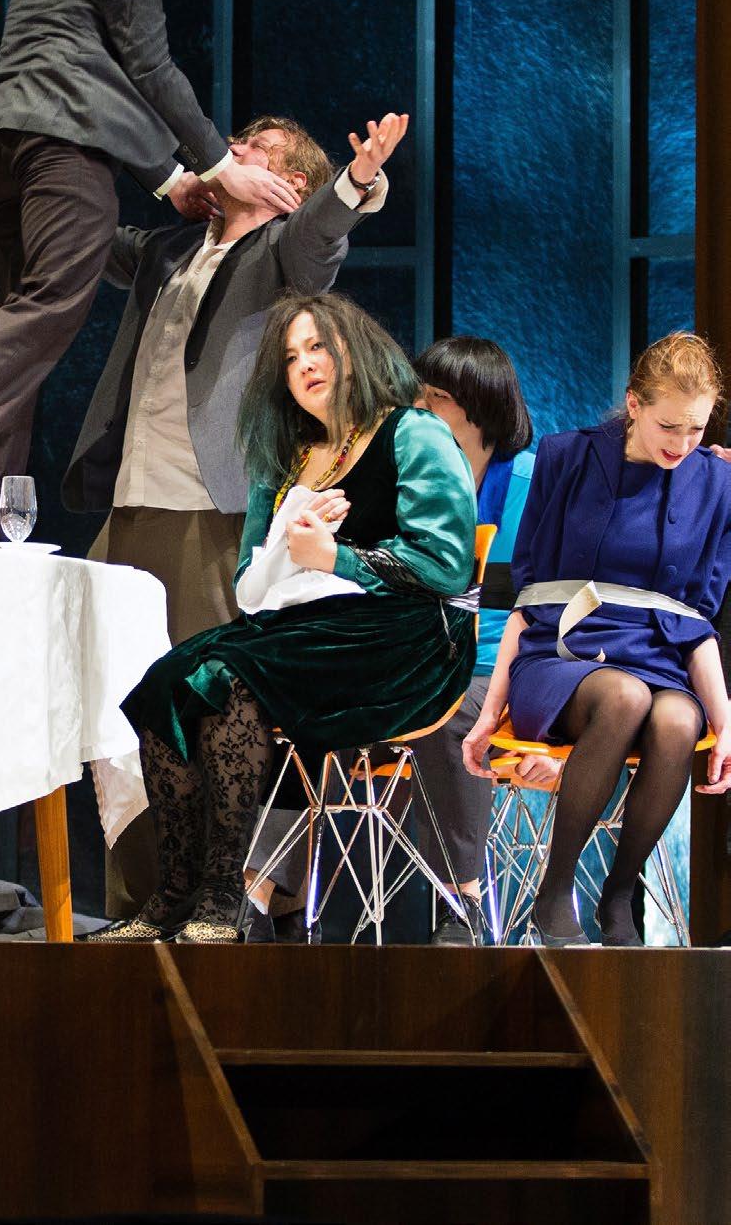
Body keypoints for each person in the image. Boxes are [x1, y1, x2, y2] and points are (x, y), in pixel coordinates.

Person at [63, 110, 406, 922]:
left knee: (210, 711)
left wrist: (359, 180)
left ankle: (226, 903)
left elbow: (322, 236)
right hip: (129, 506)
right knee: (119, 715)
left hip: (208, 515)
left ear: (287, 185)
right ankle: (142, 901)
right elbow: (82, 237)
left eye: (250, 149)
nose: (228, 154)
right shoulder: (170, 248)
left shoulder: (281, 252)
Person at [88, 291, 477, 942]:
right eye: (291, 357)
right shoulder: (287, 453)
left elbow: (445, 565)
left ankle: (223, 901)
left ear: (354, 348)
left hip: (405, 636)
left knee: (232, 677)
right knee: (167, 681)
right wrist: (288, 541)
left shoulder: (413, 432)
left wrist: (335, 556)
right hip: (300, 628)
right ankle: (172, 897)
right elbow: (250, 584)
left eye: (317, 346)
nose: (305, 365)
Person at [0, 0, 300, 526]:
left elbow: (98, 72)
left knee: (19, 309)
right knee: (55, 299)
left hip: (5, 136)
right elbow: (147, 65)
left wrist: (171, 180)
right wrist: (218, 166)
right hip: (60, 141)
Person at [462, 331, 731, 947]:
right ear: (634, 403)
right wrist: (490, 712)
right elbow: (530, 600)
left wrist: (727, 722)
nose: (682, 443)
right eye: (669, 426)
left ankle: (619, 897)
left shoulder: (716, 483)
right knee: (624, 697)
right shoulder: (567, 458)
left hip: (658, 660)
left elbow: (697, 622)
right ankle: (555, 893)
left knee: (678, 719)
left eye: (696, 429)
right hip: (561, 656)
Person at [413, 336, 558, 945]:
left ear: (480, 406)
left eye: (436, 397)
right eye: (418, 394)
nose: (419, 408)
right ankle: (267, 894)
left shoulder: (531, 481)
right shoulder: (414, 477)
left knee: (448, 709)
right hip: (422, 655)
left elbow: (531, 605)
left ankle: (462, 901)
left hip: (503, 663)